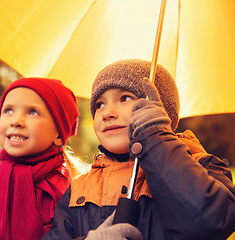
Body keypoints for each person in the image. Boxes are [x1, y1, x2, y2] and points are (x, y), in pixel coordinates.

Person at [42, 59, 235, 240]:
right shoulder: (80, 186)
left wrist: (156, 139)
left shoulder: (203, 165)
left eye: (125, 98)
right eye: (99, 104)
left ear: (160, 110)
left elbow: (210, 222)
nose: (107, 113)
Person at [0, 77, 82, 240]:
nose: (16, 121)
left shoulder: (74, 192)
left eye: (33, 112)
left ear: (58, 134)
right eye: (8, 110)